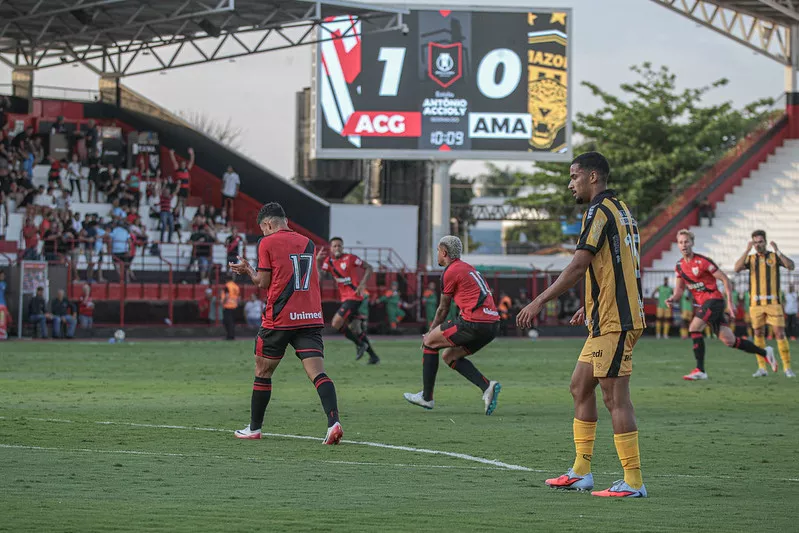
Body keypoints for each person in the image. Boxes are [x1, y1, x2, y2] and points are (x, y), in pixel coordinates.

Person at [516, 152, 647, 498]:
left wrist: (539, 300)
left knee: (615, 397)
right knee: (579, 386)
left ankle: (633, 482)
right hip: (604, 315)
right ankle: (581, 471)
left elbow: (578, 265)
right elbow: (610, 264)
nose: (570, 183)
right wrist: (588, 305)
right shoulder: (620, 209)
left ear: (592, 177)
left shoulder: (599, 211)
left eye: (574, 176)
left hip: (616, 319)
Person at [229, 202, 343, 444]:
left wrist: (248, 269)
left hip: (279, 318)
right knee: (318, 373)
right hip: (310, 317)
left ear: (268, 224)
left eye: (263, 229)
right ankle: (334, 422)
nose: (264, 233)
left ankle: (255, 428)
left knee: (263, 372)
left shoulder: (267, 242)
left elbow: (262, 282)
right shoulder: (308, 242)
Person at [403, 235, 502, 415]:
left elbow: (443, 309)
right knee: (450, 356)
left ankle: (427, 397)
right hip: (493, 324)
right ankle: (487, 386)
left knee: (430, 342)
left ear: (444, 252)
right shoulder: (469, 269)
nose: (437, 255)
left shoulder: (450, 271)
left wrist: (430, 332)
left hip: (473, 322)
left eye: (438, 252)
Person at [666, 229, 776, 381]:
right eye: (680, 242)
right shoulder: (679, 266)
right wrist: (672, 298)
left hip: (714, 301)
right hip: (705, 304)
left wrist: (730, 303)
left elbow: (725, 279)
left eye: (686, 241)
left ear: (692, 243)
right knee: (730, 341)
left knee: (694, 328)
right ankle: (765, 353)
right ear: (678, 245)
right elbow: (679, 291)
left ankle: (700, 369)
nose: (684, 245)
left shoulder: (703, 261)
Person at [733, 230, 795, 378]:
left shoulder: (774, 256)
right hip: (756, 304)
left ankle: (787, 368)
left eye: (760, 242)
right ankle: (762, 368)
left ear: (765, 242)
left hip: (773, 303)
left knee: (780, 333)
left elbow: (791, 266)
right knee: (758, 334)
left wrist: (777, 250)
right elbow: (736, 268)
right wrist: (747, 250)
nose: (757, 245)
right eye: (755, 242)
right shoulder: (751, 258)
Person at [317, 237, 379, 363]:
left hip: (355, 296)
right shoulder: (328, 261)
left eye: (339, 246)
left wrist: (362, 284)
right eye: (334, 246)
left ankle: (360, 345)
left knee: (336, 323)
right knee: (356, 329)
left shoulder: (350, 258)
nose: (337, 248)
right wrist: (317, 262)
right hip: (345, 298)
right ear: (331, 248)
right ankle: (374, 357)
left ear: (343, 247)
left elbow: (369, 267)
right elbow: (320, 277)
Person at [169, 147, 194, 217]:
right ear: (180, 165)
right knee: (179, 201)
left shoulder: (187, 169)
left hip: (185, 188)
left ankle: (183, 215)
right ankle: (175, 214)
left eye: (184, 164)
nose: (183, 165)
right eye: (182, 164)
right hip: (179, 188)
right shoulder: (177, 169)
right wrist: (171, 154)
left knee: (184, 202)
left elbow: (191, 161)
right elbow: (173, 161)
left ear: (185, 165)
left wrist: (192, 154)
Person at [222, 274, 240, 340]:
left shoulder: (227, 286)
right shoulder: (236, 286)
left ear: (226, 279)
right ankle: (232, 336)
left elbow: (226, 296)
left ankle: (229, 336)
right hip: (234, 306)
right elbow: (238, 298)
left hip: (227, 306)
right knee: (232, 322)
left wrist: (223, 303)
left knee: (227, 322)